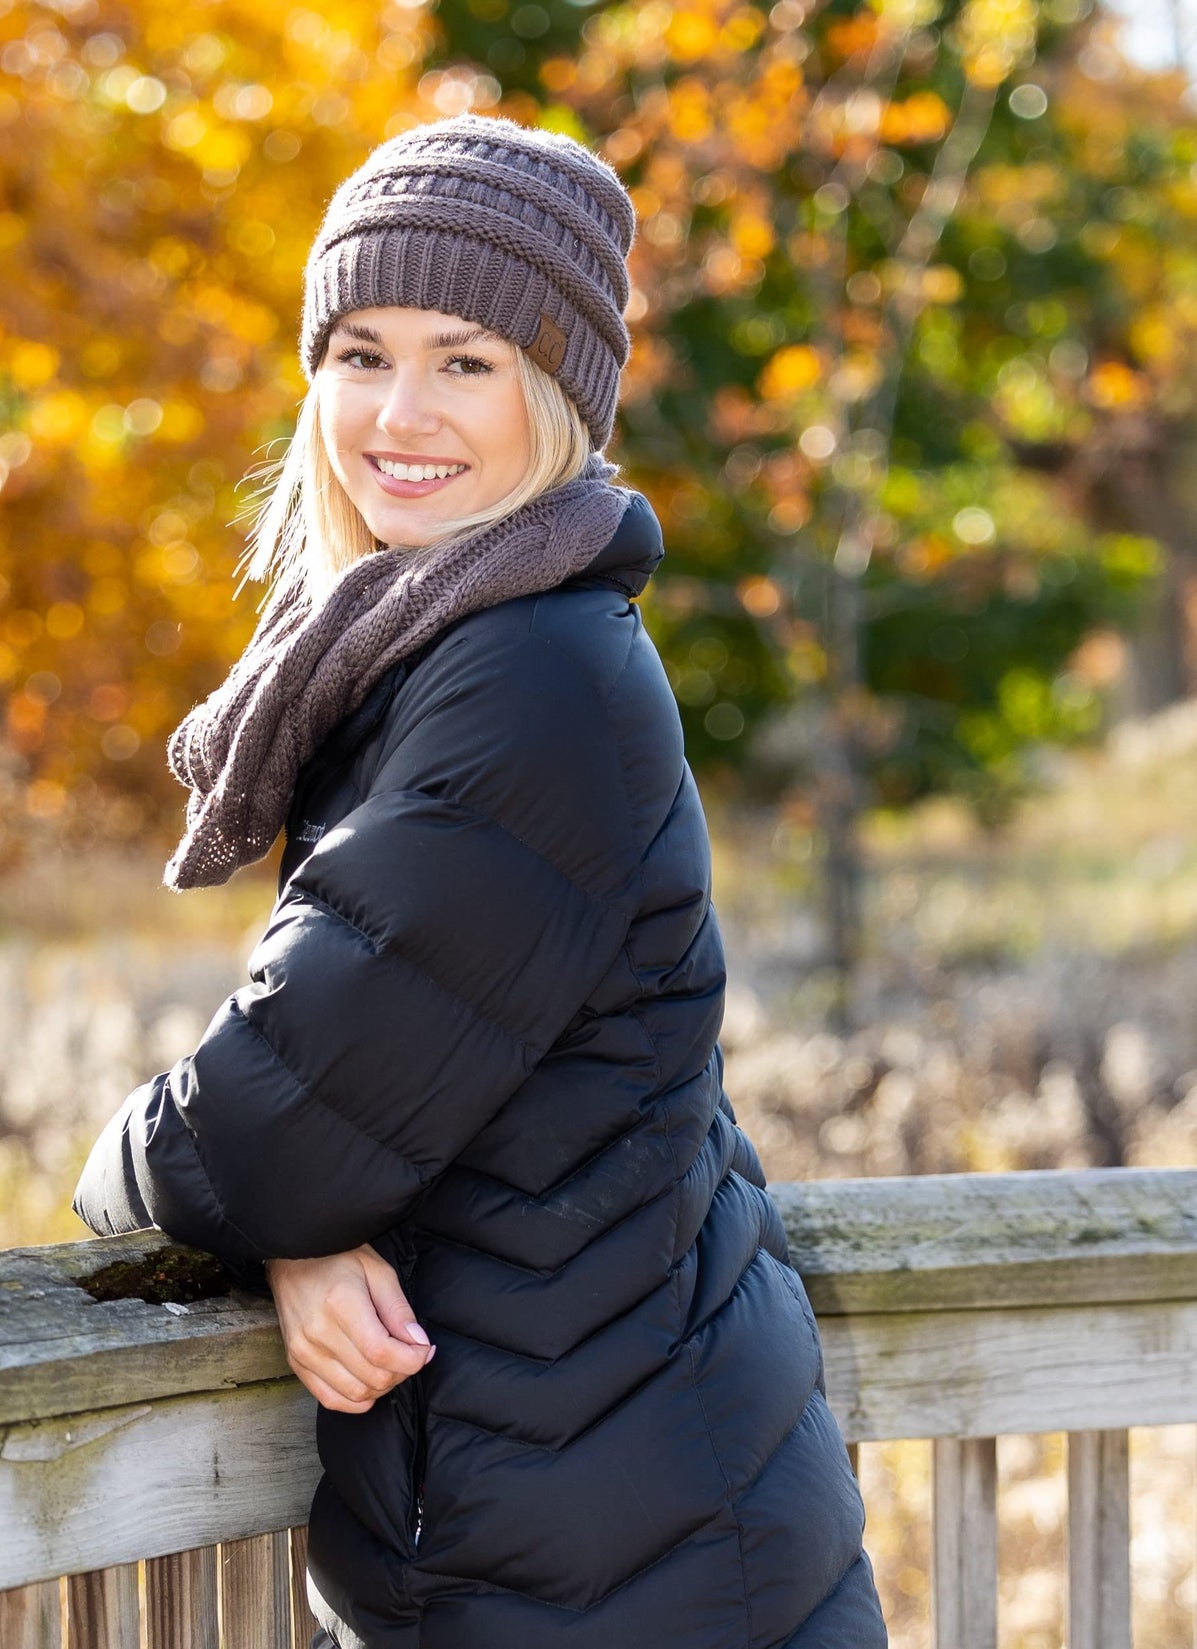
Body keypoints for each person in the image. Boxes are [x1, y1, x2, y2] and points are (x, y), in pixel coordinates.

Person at [73, 113, 888, 1649]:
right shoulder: (448, 650)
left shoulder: (527, 676)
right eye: (360, 353)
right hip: (590, 1511)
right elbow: (334, 1114)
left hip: (616, 1559)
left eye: (466, 360)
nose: (401, 412)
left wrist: (199, 1186)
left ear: (558, 396)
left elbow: (258, 1134)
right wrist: (293, 1223)